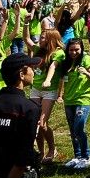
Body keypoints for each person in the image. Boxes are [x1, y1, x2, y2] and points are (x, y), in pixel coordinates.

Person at [59, 38, 90, 169]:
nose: (74, 52)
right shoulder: (66, 63)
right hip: (69, 100)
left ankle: (86, 156)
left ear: (81, 49)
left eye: (76, 50)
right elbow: (62, 80)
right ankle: (77, 156)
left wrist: (86, 72)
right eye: (71, 50)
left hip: (83, 99)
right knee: (72, 130)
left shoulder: (86, 60)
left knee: (78, 127)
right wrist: (60, 95)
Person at [32, 29, 65, 164]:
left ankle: (52, 149)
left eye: (44, 38)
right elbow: (26, 39)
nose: (40, 39)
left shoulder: (59, 53)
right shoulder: (40, 50)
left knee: (42, 123)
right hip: (35, 89)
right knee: (34, 122)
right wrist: (24, 22)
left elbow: (53, 66)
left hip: (49, 90)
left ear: (51, 39)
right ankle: (41, 151)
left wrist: (48, 80)